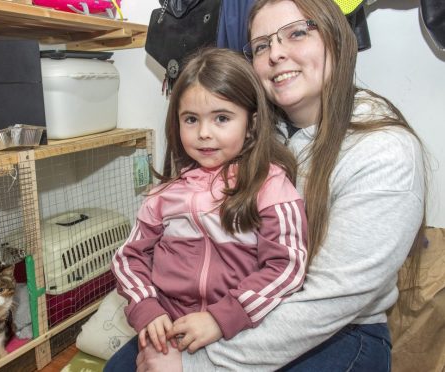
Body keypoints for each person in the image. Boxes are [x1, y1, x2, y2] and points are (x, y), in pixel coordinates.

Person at [131, 0, 427, 371]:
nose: (276, 54)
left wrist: (196, 365)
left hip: (338, 331)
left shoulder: (385, 152)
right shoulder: (241, 135)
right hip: (239, 308)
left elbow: (331, 301)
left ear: (337, 37)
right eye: (261, 45)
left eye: (297, 33)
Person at [106, 47, 308, 371]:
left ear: (251, 123)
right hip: (169, 329)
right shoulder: (163, 195)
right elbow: (129, 258)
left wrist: (220, 318)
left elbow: (287, 266)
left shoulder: (270, 185)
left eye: (222, 118)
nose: (204, 133)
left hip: (238, 329)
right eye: (191, 119)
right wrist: (147, 308)